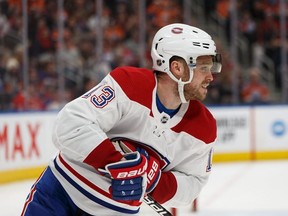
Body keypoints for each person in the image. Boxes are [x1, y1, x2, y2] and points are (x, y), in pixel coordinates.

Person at [21, 23, 222, 216]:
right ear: (178, 67)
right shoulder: (128, 84)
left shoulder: (204, 127)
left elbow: (193, 184)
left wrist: (154, 180)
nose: (210, 77)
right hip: (60, 193)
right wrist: (113, 161)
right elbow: (69, 124)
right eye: (203, 68)